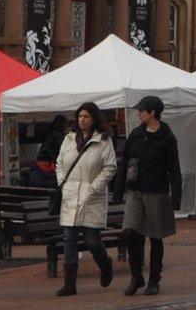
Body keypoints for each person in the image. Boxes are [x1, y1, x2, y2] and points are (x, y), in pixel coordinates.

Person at [112, 95, 181, 296]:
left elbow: (174, 169)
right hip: (135, 190)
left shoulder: (167, 138)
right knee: (132, 232)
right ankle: (136, 276)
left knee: (155, 237)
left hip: (157, 192)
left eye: (142, 110)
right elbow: (125, 163)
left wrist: (176, 198)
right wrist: (118, 190)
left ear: (152, 113)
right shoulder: (135, 134)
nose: (139, 113)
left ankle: (154, 279)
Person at [53, 102, 117, 297]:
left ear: (94, 118)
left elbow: (110, 167)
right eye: (80, 116)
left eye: (86, 116)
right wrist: (62, 182)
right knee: (69, 239)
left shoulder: (103, 141)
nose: (82, 120)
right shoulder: (69, 138)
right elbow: (60, 163)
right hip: (71, 194)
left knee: (92, 240)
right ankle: (70, 284)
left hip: (92, 196)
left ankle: (105, 264)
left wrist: (94, 187)